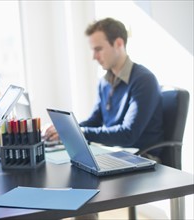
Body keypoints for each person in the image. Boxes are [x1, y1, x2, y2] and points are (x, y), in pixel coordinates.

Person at [44, 17, 164, 158]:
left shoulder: (143, 80)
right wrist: (67, 129)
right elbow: (94, 121)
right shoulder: (104, 82)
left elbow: (128, 134)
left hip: (142, 158)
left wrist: (80, 132)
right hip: (115, 152)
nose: (94, 57)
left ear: (118, 43)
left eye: (98, 49)